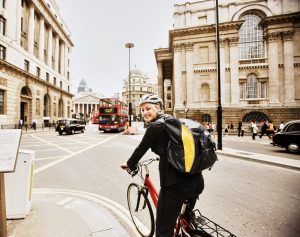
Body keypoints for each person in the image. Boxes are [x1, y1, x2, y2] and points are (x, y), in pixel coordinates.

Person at [121, 94, 204, 237]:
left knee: (162, 231)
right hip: (197, 181)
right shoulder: (173, 121)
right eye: (142, 110)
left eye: (148, 108)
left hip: (175, 187)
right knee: (184, 220)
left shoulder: (155, 127)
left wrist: (128, 164)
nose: (144, 112)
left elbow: (140, 149)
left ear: (158, 108)